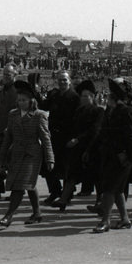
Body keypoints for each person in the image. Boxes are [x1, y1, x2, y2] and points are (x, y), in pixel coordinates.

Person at [0, 80, 55, 227]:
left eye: (24, 100)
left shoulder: (39, 115)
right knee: (29, 184)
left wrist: (50, 159)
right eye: (19, 100)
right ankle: (37, 213)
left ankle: (8, 216)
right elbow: (8, 138)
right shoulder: (13, 114)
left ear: (31, 101)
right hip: (16, 153)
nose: (21, 102)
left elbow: (45, 138)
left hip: (32, 154)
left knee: (20, 186)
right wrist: (1, 158)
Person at [87, 78, 132, 232]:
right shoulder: (109, 111)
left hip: (122, 157)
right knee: (116, 190)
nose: (107, 98)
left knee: (110, 189)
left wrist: (131, 157)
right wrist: (90, 150)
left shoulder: (127, 111)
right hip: (110, 155)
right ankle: (124, 219)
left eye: (110, 96)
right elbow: (102, 133)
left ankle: (105, 221)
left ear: (116, 98)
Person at [53, 79, 104, 211]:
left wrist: (78, 139)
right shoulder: (79, 110)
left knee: (96, 177)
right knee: (72, 174)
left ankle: (100, 202)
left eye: (86, 96)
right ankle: (63, 199)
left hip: (92, 147)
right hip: (78, 147)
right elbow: (73, 128)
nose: (82, 98)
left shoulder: (98, 111)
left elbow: (94, 130)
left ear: (92, 97)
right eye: (81, 96)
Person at [37, 70, 80, 205]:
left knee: (67, 167)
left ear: (70, 81)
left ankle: (67, 194)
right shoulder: (54, 95)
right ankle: (55, 191)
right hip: (53, 136)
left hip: (68, 136)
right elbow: (44, 106)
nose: (62, 82)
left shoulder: (75, 97)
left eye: (65, 80)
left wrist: (75, 137)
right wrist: (37, 93)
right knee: (49, 165)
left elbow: (78, 119)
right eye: (60, 80)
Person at [0, 63, 19, 200]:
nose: (5, 77)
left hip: (11, 131)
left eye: (8, 74)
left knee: (11, 162)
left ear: (15, 75)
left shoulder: (17, 92)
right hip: (0, 129)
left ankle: (16, 191)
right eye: (4, 74)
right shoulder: (3, 91)